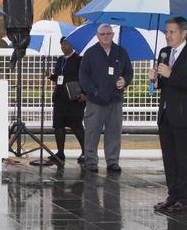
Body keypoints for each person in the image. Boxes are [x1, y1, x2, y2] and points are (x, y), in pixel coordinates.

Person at [151, 16, 187, 213]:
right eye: (166, 32)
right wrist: (156, 80)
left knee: (184, 159)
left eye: (172, 32)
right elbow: (163, 86)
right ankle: (172, 196)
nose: (168, 36)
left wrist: (171, 74)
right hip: (165, 114)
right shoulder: (164, 53)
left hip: (185, 116)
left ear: (184, 33)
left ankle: (184, 199)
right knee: (169, 158)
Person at [78, 24, 133, 173]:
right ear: (97, 36)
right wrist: (93, 92)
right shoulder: (90, 53)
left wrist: (125, 81)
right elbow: (83, 76)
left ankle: (112, 161)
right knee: (92, 132)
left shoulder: (121, 52)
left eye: (108, 33)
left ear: (113, 34)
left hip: (115, 101)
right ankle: (91, 161)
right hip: (95, 102)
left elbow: (129, 71)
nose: (105, 36)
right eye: (102, 34)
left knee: (114, 132)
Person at [49, 36, 86, 164]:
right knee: (58, 126)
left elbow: (84, 78)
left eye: (66, 44)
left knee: (76, 126)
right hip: (60, 97)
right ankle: (60, 153)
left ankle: (86, 152)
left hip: (75, 98)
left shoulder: (79, 60)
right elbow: (60, 78)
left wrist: (84, 93)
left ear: (72, 45)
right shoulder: (60, 60)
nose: (63, 46)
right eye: (62, 44)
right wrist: (52, 76)